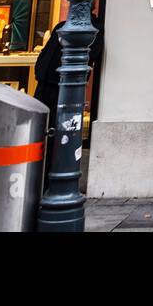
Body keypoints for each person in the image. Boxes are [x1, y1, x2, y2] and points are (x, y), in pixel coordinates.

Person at [33, 10, 105, 188]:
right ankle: (42, 177)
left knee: (62, 133)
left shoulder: (93, 30)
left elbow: (93, 54)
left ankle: (56, 178)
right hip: (46, 84)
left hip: (65, 88)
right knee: (44, 131)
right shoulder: (63, 26)